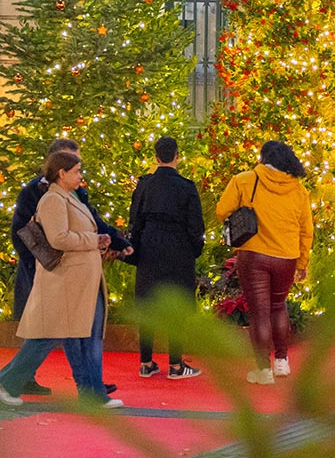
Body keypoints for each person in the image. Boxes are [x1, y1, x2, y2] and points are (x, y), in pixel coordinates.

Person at [0, 150, 123, 409]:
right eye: (76, 171)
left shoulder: (67, 197)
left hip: (78, 282)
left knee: (84, 337)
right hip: (66, 282)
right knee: (45, 338)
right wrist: (94, 240)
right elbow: (58, 238)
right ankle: (8, 383)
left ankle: (92, 394)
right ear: (61, 173)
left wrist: (98, 242)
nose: (80, 176)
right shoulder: (53, 200)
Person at [215, 140, 313, 385]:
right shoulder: (299, 190)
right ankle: (281, 361)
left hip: (253, 254)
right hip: (286, 256)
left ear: (263, 157)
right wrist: (302, 262)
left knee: (259, 314)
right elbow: (306, 230)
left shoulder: (245, 180)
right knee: (279, 306)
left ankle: (263, 370)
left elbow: (221, 210)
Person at [129, 135, 205, 380]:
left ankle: (146, 362)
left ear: (155, 157)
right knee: (176, 307)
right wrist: (195, 249)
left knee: (148, 306)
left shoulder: (144, 185)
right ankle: (175, 365)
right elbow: (196, 226)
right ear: (177, 156)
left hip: (149, 245)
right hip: (178, 248)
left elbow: (135, 220)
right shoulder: (186, 187)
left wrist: (136, 247)